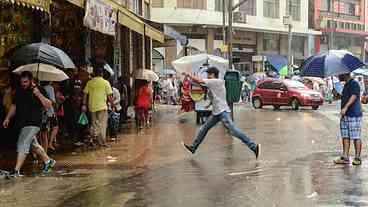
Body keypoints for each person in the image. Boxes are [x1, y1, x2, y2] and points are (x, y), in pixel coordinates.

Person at [183, 67, 261, 158]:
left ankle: (254, 147)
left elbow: (200, 81)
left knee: (233, 130)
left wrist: (189, 75)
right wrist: (209, 104)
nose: (207, 76)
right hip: (216, 113)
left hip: (222, 111)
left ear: (213, 75)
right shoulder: (212, 84)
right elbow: (215, 97)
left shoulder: (216, 81)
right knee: (204, 129)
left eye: (209, 74)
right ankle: (193, 147)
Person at [2, 71, 56, 177]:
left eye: (26, 82)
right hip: (22, 123)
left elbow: (48, 105)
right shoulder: (19, 91)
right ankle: (48, 161)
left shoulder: (39, 89)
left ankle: (16, 171)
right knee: (33, 145)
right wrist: (7, 118)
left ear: (31, 80)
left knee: (22, 143)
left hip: (34, 122)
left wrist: (38, 94)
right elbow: (14, 106)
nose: (23, 84)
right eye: (22, 82)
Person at [334, 73, 363, 165]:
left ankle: (357, 158)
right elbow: (345, 97)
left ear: (344, 74)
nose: (338, 76)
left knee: (356, 136)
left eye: (339, 74)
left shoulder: (354, 83)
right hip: (345, 115)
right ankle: (345, 157)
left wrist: (346, 107)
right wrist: (337, 95)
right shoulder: (346, 84)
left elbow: (354, 96)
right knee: (345, 136)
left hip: (354, 114)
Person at [82, 67, 114, 147]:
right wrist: (113, 105)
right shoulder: (105, 82)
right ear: (102, 74)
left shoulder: (90, 82)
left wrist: (84, 104)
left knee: (94, 124)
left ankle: (92, 139)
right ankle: (102, 142)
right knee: (102, 125)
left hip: (92, 106)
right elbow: (109, 96)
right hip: (102, 106)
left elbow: (85, 94)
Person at [40, 82, 59, 152]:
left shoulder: (39, 88)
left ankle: (43, 150)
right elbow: (52, 101)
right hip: (49, 112)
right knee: (52, 128)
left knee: (42, 133)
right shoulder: (49, 88)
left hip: (42, 112)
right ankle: (49, 145)